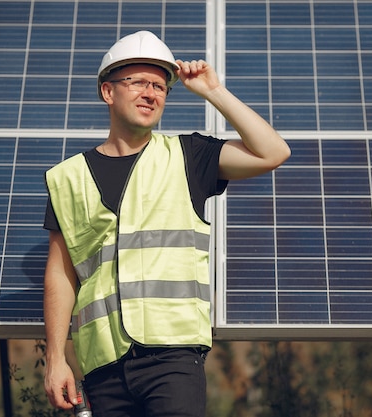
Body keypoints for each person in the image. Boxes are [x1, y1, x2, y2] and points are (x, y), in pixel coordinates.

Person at [42, 30, 290, 417]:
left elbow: (273, 151)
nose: (151, 93)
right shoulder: (68, 178)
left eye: (160, 86)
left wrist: (213, 91)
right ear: (108, 92)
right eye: (138, 82)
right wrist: (56, 359)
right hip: (102, 366)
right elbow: (60, 275)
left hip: (173, 361)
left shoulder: (189, 155)